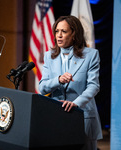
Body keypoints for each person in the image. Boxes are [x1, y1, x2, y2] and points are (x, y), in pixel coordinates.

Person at [39, 15, 102, 150]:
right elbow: (42, 88)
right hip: (57, 118)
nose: (59, 35)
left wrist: (75, 103)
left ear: (74, 34)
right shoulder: (49, 56)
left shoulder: (91, 55)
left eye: (64, 31)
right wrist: (58, 80)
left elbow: (94, 86)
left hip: (82, 117)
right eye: (57, 31)